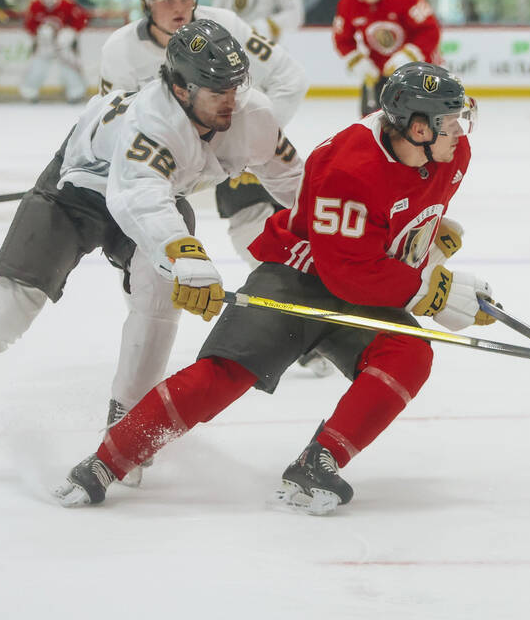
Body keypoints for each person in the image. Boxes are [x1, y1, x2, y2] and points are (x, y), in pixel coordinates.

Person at [0, 18, 304, 486]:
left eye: (236, 86)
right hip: (79, 189)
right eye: (216, 91)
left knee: (157, 295)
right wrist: (185, 255)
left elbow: (294, 182)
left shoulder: (252, 115)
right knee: (7, 306)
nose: (231, 101)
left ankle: (126, 420)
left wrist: (341, 231)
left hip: (155, 191)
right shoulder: (153, 120)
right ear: (178, 87)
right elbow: (139, 198)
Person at [53, 62, 490, 514]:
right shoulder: (349, 165)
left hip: (362, 278)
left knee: (410, 352)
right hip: (297, 279)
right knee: (223, 377)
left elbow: (388, 229)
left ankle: (317, 463)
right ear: (418, 128)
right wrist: (430, 291)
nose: (460, 130)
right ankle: (105, 462)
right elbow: (346, 270)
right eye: (449, 120)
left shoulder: (452, 155)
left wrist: (428, 245)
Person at [100, 0, 323, 378]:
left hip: (230, 140)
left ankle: (298, 327)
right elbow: (112, 125)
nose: (178, 6)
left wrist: (248, 136)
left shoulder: (227, 27)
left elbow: (291, 78)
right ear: (146, 1)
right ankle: (143, 352)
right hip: (161, 164)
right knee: (148, 260)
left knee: (259, 235)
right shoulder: (120, 51)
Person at [333, 0, 441, 116]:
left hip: (415, 71)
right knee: (370, 125)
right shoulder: (348, 4)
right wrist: (359, 63)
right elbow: (342, 40)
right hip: (379, 74)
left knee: (419, 122)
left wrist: (408, 56)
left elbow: (430, 30)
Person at [20, 0, 89, 103]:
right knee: (38, 65)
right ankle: (29, 92)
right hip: (45, 44)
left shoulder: (67, 4)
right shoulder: (35, 5)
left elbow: (81, 20)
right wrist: (37, 36)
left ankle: (76, 92)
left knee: (68, 66)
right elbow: (29, 25)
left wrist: (70, 33)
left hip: (62, 44)